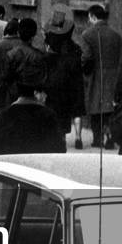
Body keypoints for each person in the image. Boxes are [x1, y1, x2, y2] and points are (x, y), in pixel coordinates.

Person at [80, 4, 122, 148]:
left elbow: (86, 57)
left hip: (95, 75)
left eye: (89, 18)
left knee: (95, 108)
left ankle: (97, 139)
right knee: (109, 108)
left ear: (92, 16)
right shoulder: (116, 35)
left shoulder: (87, 34)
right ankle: (109, 135)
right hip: (113, 75)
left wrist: (85, 71)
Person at [43, 13, 85, 149]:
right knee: (75, 109)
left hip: (57, 79)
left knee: (57, 109)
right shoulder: (74, 47)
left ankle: (60, 137)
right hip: (74, 79)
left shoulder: (52, 41)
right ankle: (78, 136)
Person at [0, 83, 66, 155]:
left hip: (10, 166)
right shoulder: (49, 116)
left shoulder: (4, 116)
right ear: (35, 93)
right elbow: (60, 148)